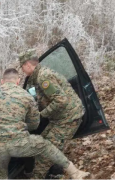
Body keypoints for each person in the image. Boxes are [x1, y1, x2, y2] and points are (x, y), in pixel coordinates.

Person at [0, 68, 89, 179]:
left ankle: (2, 168)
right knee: (46, 145)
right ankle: (75, 173)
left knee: (1, 176)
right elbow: (34, 124)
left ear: (2, 81)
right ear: (18, 81)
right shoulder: (26, 96)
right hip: (18, 144)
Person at [19, 49, 85, 178]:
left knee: (45, 153)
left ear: (27, 64)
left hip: (68, 117)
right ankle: (55, 172)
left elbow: (61, 100)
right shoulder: (39, 76)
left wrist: (41, 114)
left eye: (22, 67)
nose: (22, 71)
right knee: (41, 142)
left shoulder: (43, 77)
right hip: (60, 118)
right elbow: (46, 98)